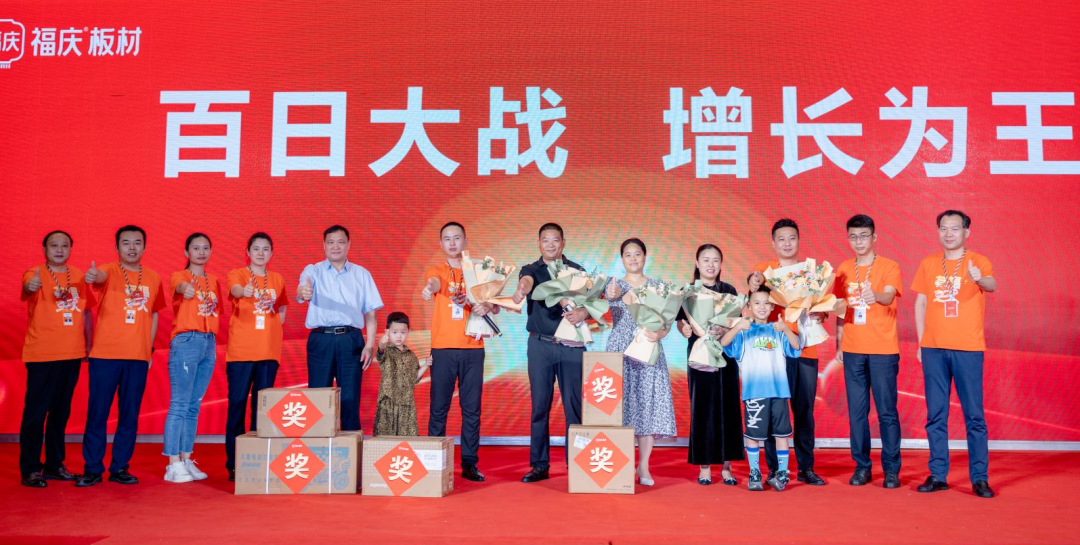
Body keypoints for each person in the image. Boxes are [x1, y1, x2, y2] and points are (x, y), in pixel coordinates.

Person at [912, 210, 997, 499]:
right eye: (944, 229)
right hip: (934, 348)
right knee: (936, 414)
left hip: (968, 348)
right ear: (938, 231)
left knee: (974, 415)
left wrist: (979, 278)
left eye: (955, 229)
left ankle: (980, 478)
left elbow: (991, 285)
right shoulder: (929, 263)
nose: (949, 234)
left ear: (966, 232)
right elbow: (921, 303)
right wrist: (922, 343)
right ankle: (938, 474)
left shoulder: (978, 261)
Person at [77, 225, 167, 487]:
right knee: (98, 413)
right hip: (105, 355)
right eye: (126, 243)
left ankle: (119, 467)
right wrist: (93, 275)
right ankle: (92, 469)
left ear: (145, 247)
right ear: (116, 247)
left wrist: (148, 350)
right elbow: (98, 277)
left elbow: (154, 314)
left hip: (137, 357)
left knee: (129, 414)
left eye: (137, 242)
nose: (132, 247)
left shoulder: (153, 277)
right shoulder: (110, 270)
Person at [746, 218, 826, 486]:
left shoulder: (811, 273)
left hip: (805, 349)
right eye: (781, 239)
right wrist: (755, 281)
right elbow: (753, 289)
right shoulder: (764, 271)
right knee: (772, 410)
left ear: (799, 241)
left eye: (792, 238)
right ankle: (772, 469)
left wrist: (822, 312)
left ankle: (806, 467)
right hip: (773, 352)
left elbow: (822, 305)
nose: (787, 243)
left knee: (804, 411)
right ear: (773, 243)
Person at [511, 223, 591, 483]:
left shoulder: (576, 270)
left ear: (563, 242)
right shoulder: (531, 270)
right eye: (545, 240)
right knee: (540, 406)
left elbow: (592, 303)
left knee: (575, 408)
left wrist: (583, 313)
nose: (550, 244)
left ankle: (577, 463)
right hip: (540, 346)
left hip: (572, 347)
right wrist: (521, 289)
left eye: (555, 240)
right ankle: (539, 464)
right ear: (539, 243)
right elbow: (526, 282)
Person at [421, 222, 496, 482]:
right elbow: (433, 283)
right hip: (443, 348)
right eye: (447, 239)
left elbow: (495, 305)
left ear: (465, 241)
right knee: (438, 407)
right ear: (441, 243)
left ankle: (469, 462)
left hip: (473, 347)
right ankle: (434, 460)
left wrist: (487, 306)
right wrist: (428, 288)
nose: (452, 243)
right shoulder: (437, 270)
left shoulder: (478, 271)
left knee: (471, 409)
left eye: (456, 238)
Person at [834, 214, 903, 488]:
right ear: (848, 239)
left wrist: (877, 296)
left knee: (886, 411)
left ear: (874, 237)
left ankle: (891, 469)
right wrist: (839, 344)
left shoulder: (889, 266)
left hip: (883, 349)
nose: (859, 241)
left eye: (864, 236)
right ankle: (862, 466)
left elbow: (889, 295)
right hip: (853, 349)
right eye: (853, 236)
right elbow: (840, 309)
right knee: (857, 412)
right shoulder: (843, 268)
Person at [18, 230, 91, 488]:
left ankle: (54, 465)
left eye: (64, 245)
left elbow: (86, 312)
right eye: (54, 245)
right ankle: (30, 469)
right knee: (36, 414)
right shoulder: (35, 273)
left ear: (70, 249)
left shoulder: (78, 276)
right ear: (44, 249)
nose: (59, 250)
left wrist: (89, 344)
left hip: (72, 354)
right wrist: (31, 286)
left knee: (60, 413)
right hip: (42, 355)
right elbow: (27, 288)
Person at [603, 238, 677, 486]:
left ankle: (643, 466)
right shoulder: (613, 285)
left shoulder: (658, 286)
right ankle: (621, 463)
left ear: (645, 257)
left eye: (637, 254)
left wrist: (661, 334)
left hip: (648, 349)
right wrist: (609, 295)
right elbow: (599, 308)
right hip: (620, 350)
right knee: (619, 408)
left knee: (647, 405)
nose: (633, 258)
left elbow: (666, 322)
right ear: (621, 259)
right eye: (628, 254)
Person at [297, 225, 382, 432]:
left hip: (350, 340)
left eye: (341, 242)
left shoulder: (361, 274)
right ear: (324, 245)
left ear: (349, 245)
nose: (336, 246)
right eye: (331, 242)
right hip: (321, 339)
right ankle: (317, 447)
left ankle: (351, 448)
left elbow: (371, 313)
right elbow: (301, 289)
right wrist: (304, 291)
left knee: (350, 400)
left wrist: (369, 345)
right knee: (318, 399)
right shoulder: (313, 270)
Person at [676, 244, 744, 486]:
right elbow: (680, 321)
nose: (711, 264)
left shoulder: (729, 291)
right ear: (697, 263)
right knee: (702, 407)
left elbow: (736, 321)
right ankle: (704, 466)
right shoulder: (687, 292)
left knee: (728, 407)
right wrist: (684, 329)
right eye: (706, 259)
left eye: (715, 260)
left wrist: (725, 329)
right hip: (699, 353)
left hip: (725, 354)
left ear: (721, 264)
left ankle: (726, 467)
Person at [720, 287, 801, 492]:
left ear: (772, 306)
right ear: (749, 306)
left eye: (766, 303)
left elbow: (796, 347)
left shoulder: (778, 329)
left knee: (782, 434)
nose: (762, 307)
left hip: (779, 392)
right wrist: (737, 327)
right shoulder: (744, 331)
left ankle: (782, 473)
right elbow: (724, 343)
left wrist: (786, 329)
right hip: (754, 393)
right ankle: (754, 472)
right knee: (753, 435)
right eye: (757, 303)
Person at [224, 232, 289, 481]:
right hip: (241, 353)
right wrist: (244, 290)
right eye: (256, 249)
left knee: (262, 410)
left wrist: (274, 330)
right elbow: (235, 290)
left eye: (265, 249)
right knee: (237, 405)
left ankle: (257, 460)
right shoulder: (238, 274)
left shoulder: (277, 278)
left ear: (271, 253)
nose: (261, 253)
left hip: (268, 353)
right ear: (248, 252)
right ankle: (234, 463)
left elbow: (281, 305)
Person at [162, 233, 221, 483]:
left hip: (208, 342)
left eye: (205, 248)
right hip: (187, 340)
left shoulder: (214, 280)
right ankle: (172, 463)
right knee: (179, 404)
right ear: (187, 252)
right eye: (196, 248)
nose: (201, 252)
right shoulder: (180, 276)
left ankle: (186, 458)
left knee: (194, 405)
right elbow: (179, 287)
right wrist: (184, 289)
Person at [373, 312, 429, 436]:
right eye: (394, 332)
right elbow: (380, 351)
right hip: (388, 401)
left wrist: (426, 365)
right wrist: (382, 342)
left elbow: (414, 378)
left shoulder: (411, 355)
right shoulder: (387, 351)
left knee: (407, 438)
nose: (399, 336)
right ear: (387, 332)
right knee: (385, 437)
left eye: (403, 332)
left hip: (406, 403)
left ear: (408, 332)